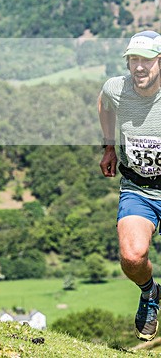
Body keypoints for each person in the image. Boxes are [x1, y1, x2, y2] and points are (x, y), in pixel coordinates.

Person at [99, 30, 161, 340]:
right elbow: (104, 104)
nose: (139, 67)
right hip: (139, 188)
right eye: (133, 59)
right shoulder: (116, 89)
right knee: (132, 257)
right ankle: (150, 293)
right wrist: (109, 146)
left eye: (146, 60)